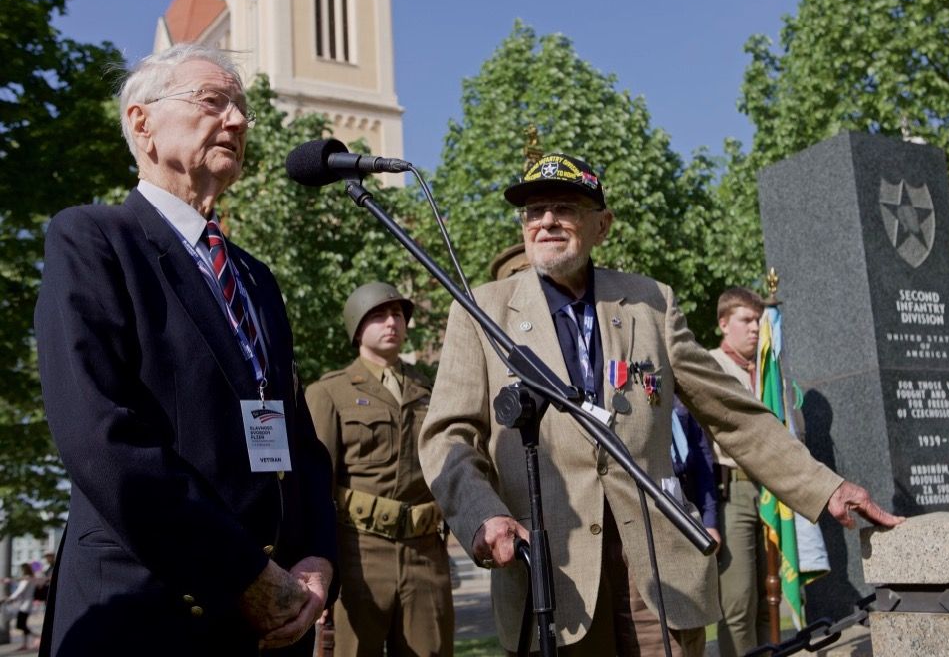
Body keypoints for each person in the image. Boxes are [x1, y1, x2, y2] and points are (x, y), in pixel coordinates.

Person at [418, 152, 901, 655]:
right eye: (533, 211)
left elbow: (732, 414)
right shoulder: (480, 310)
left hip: (656, 570)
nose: (546, 222)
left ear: (601, 224)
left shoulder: (652, 302)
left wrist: (826, 487)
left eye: (564, 207)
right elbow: (447, 436)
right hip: (551, 575)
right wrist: (482, 515)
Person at [34, 43, 336, 656]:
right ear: (141, 123)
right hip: (150, 612)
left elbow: (296, 440)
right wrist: (243, 574)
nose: (238, 121)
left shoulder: (254, 278)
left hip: (272, 620)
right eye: (213, 101)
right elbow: (100, 437)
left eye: (242, 108)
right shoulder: (94, 239)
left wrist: (315, 557)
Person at [306, 282, 453, 657]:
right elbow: (316, 487)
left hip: (424, 552)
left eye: (398, 315)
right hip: (359, 554)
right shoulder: (329, 393)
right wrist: (318, 567)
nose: (392, 322)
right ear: (357, 328)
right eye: (379, 315)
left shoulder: (432, 391)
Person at [708, 287, 771, 655]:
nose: (754, 329)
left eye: (758, 321)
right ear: (723, 323)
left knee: (769, 596)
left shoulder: (767, 369)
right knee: (738, 601)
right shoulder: (711, 364)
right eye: (746, 320)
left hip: (770, 490)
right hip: (732, 490)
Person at [669, 396, 721, 547]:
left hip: (687, 496)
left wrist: (709, 520)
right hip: (656, 497)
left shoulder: (679, 397)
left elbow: (702, 458)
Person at [5, 564, 36, 651]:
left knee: (20, 625)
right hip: (26, 604)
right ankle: (25, 644)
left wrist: (10, 598)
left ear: (24, 570)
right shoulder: (31, 578)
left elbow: (20, 590)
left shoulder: (27, 578)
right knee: (23, 625)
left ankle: (36, 636)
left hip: (25, 605)